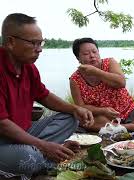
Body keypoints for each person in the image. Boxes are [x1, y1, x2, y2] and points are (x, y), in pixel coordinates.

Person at [0, 13, 94, 179]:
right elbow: (2, 124)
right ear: (10, 42)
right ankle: (42, 158)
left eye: (41, 43)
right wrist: (44, 146)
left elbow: (44, 96)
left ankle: (43, 155)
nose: (40, 49)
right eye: (33, 43)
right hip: (2, 140)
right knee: (30, 158)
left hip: (23, 133)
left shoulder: (28, 67)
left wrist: (75, 108)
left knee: (70, 117)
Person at [70, 37, 134, 132]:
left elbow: (121, 83)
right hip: (102, 116)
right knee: (88, 121)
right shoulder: (75, 79)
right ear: (78, 58)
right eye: (86, 54)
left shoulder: (110, 62)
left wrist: (97, 72)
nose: (92, 56)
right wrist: (103, 110)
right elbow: (81, 107)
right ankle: (129, 127)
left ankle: (118, 128)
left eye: (94, 52)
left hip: (127, 110)